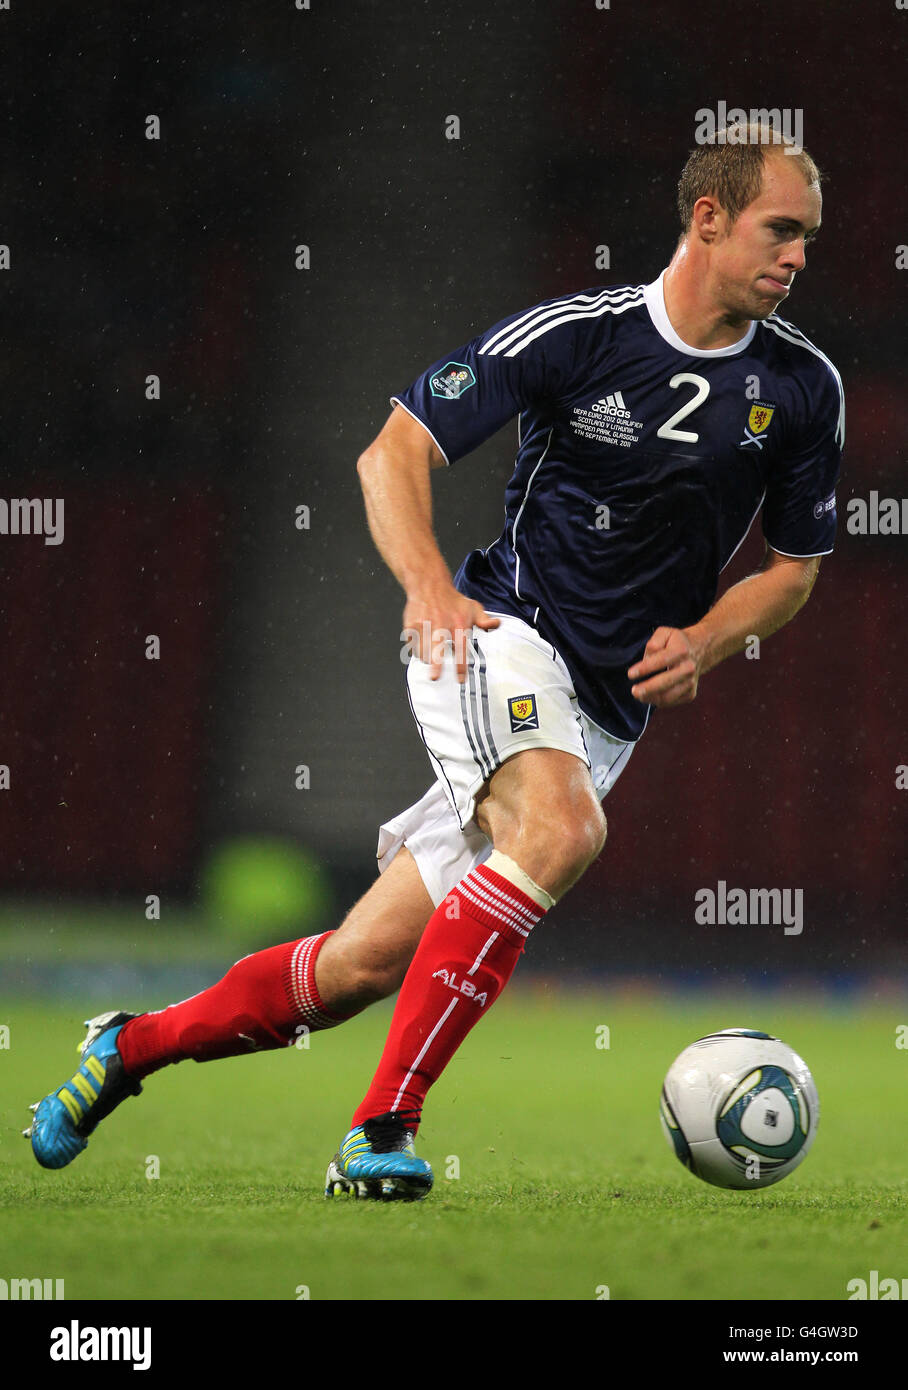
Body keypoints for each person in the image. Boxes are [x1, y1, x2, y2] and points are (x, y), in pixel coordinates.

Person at [26, 127, 844, 1201]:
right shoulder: (579, 336)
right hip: (494, 632)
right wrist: (426, 586)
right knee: (559, 832)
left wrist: (705, 636)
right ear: (706, 218)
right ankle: (380, 1128)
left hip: (599, 713)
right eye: (778, 229)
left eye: (809, 238)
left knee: (355, 968)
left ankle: (125, 1049)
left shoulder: (800, 388)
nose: (796, 256)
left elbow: (792, 568)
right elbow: (393, 448)